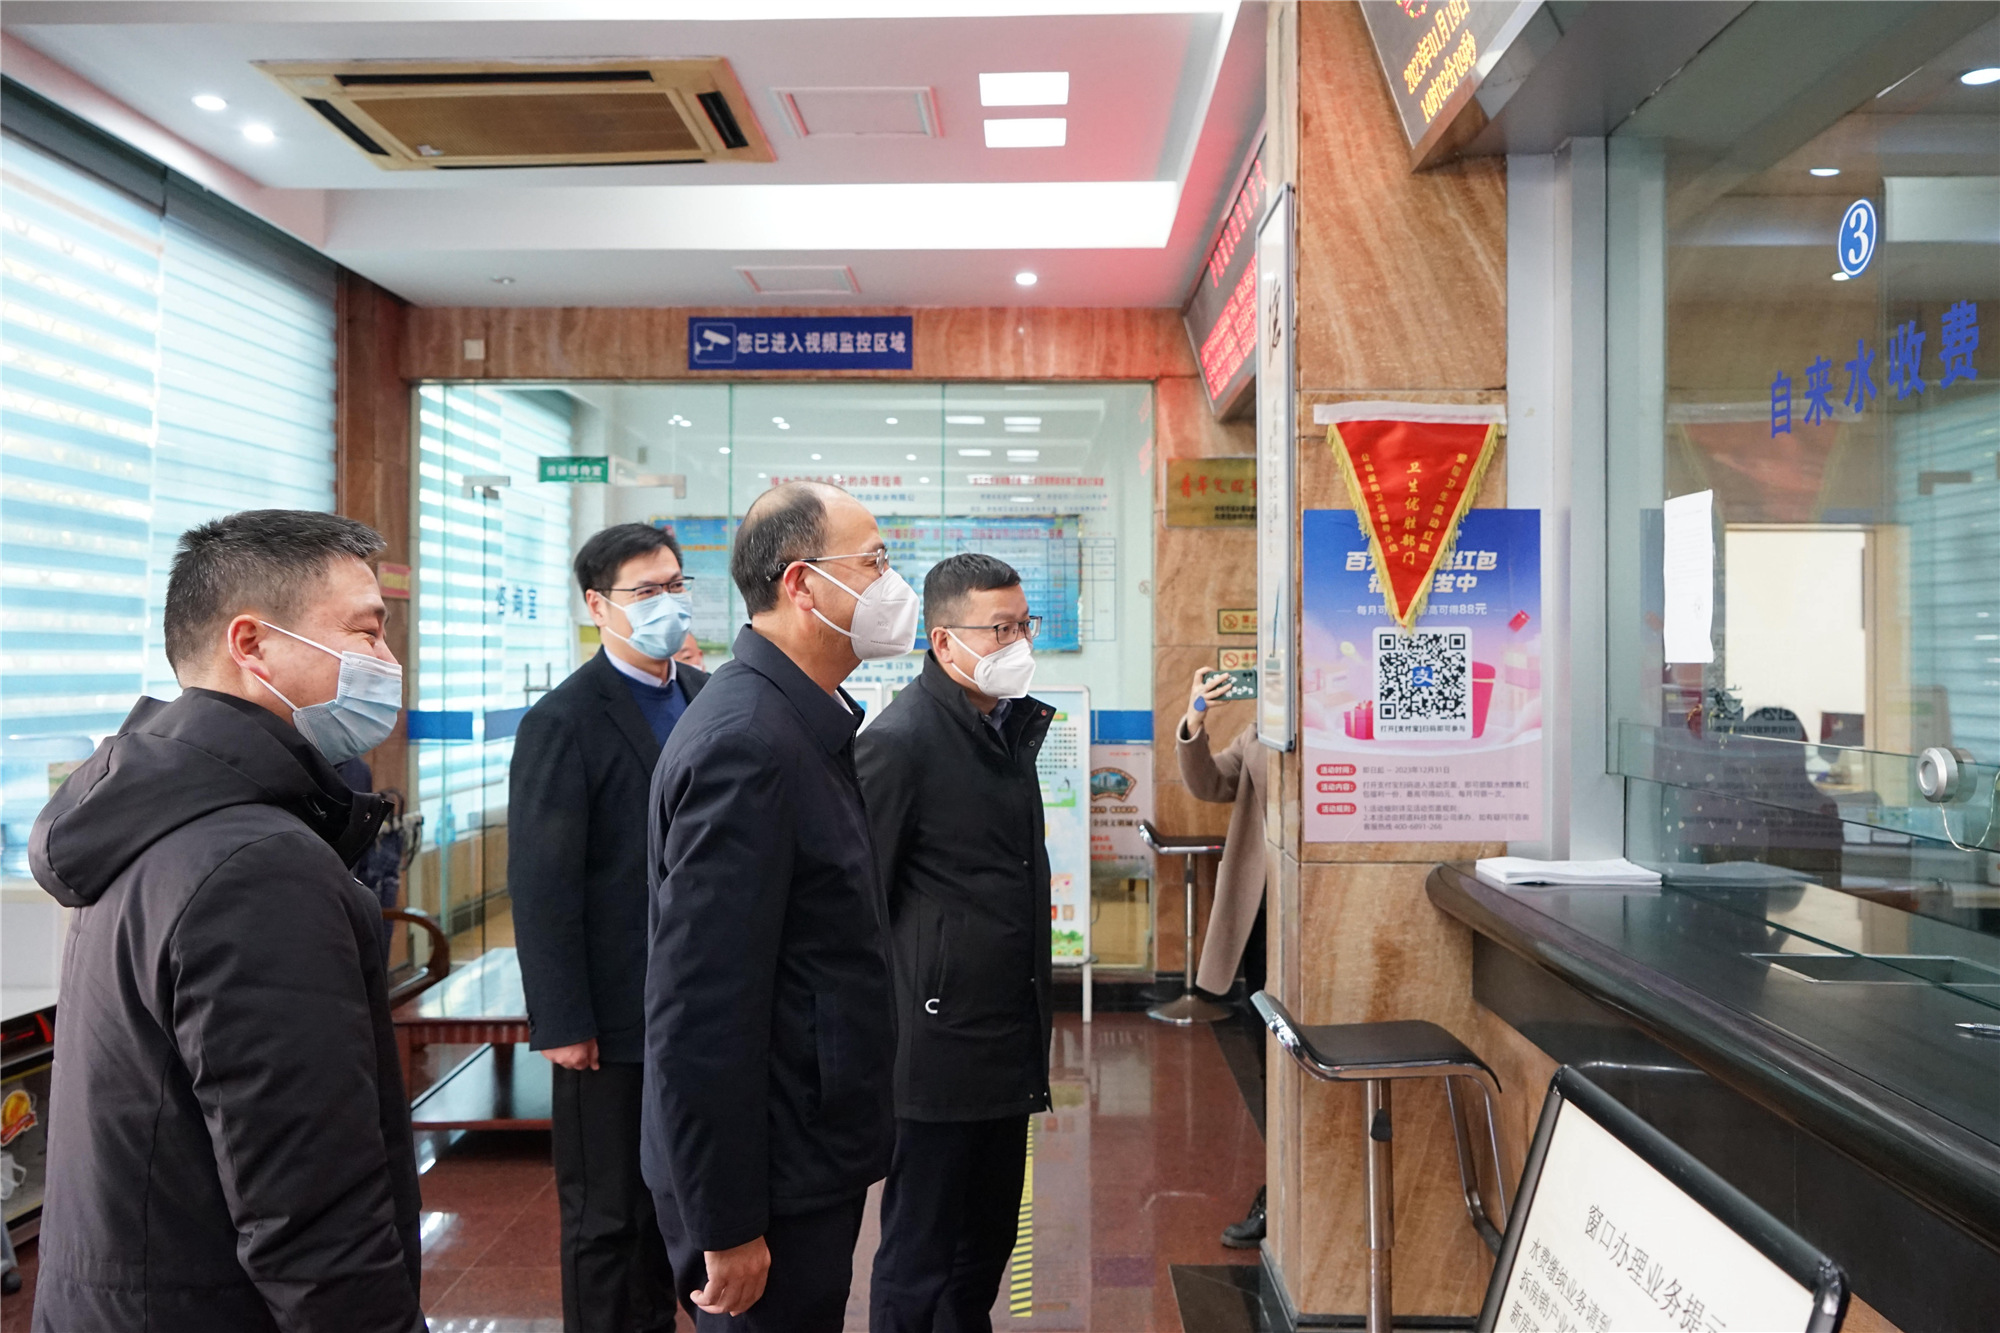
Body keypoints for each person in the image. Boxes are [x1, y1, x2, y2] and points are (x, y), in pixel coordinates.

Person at [28, 510, 422, 1332]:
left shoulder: (150, 814)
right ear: (252, 643)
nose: (387, 661)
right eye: (365, 631)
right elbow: (308, 1203)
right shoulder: (256, 866)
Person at [642, 481, 912, 1331]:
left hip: (800, 1146)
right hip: (762, 1179)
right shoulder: (749, 742)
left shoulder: (801, 719)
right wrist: (725, 1221)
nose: (891, 583)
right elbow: (700, 1005)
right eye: (873, 561)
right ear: (801, 584)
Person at [510, 523, 710, 1333]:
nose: (668, 603)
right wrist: (563, 1018)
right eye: (645, 591)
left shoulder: (706, 695)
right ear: (597, 605)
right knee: (608, 1211)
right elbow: (543, 881)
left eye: (675, 585)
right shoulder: (564, 719)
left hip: (699, 1002)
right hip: (612, 1013)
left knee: (683, 1199)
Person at [857, 554, 1055, 1333]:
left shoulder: (1006, 727)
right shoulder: (901, 741)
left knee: (984, 1248)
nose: (1018, 642)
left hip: (1007, 1039)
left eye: (1023, 625)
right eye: (999, 629)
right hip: (934, 1049)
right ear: (944, 641)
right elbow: (862, 904)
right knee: (919, 1255)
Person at [1176, 664, 1272, 1249]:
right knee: (1268, 1057)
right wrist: (1195, 718)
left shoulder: (1342, 730)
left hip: (1316, 914)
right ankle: (1277, 1188)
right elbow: (1210, 783)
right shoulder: (1263, 730)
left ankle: (1295, 1190)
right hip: (1263, 917)